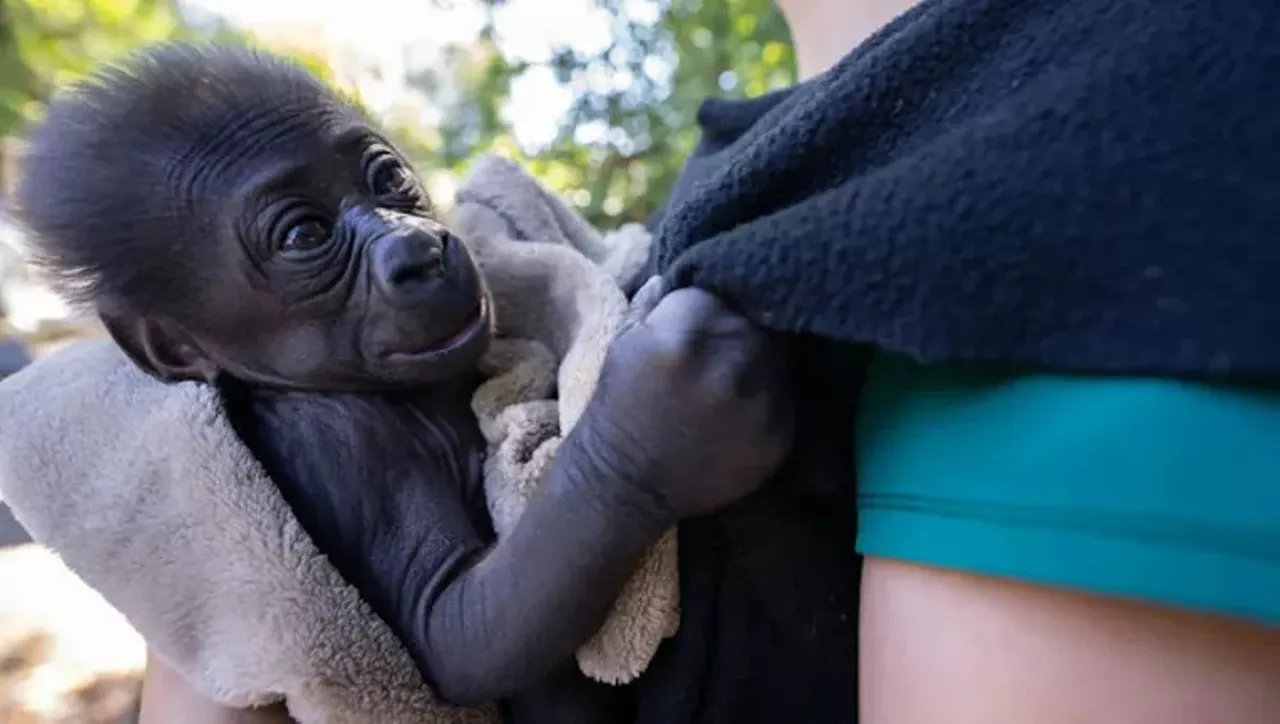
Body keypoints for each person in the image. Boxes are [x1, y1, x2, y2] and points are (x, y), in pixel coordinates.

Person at [140, 0, 1280, 721]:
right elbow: (449, 639)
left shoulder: (1171, 78)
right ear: (176, 346)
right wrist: (621, 468)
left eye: (386, 184)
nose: (406, 242)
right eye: (301, 238)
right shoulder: (284, 435)